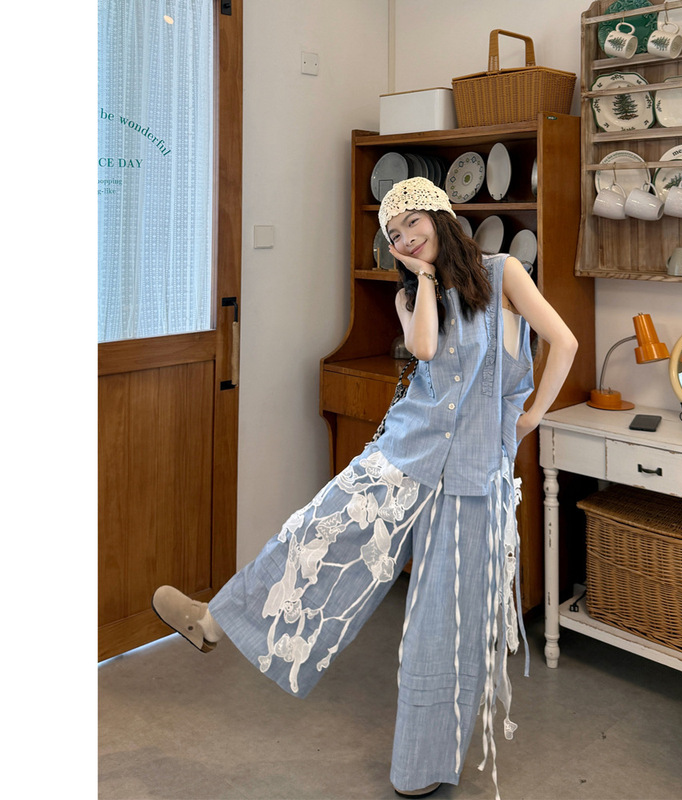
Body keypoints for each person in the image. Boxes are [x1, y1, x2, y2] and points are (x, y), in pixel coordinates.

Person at [152, 177, 578, 799]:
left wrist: (532, 416)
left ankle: (422, 766)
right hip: (405, 453)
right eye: (394, 234)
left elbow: (563, 341)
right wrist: (423, 280)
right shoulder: (410, 297)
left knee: (445, 620)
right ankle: (212, 620)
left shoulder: (502, 272)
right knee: (316, 532)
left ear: (439, 214)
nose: (406, 238)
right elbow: (425, 347)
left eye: (413, 223)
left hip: (472, 476)